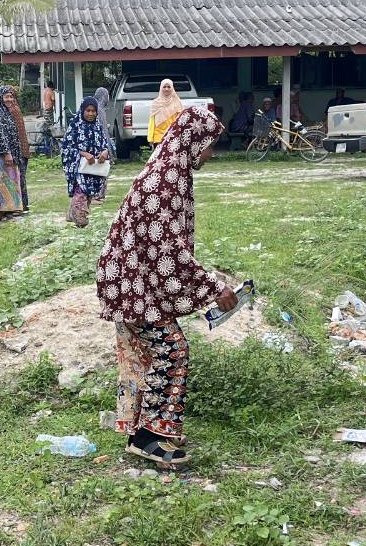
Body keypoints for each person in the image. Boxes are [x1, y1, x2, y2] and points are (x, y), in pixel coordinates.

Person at [97, 108, 238, 468]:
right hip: (133, 285)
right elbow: (169, 250)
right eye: (209, 146)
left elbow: (164, 248)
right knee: (172, 349)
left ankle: (145, 431)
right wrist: (213, 289)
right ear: (194, 141)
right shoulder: (165, 180)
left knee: (143, 357)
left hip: (133, 280)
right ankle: (148, 437)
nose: (210, 154)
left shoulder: (171, 172)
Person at [61, 97, 112, 227]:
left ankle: (72, 213)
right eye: (88, 110)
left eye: (93, 111)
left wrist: (104, 153)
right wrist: (83, 154)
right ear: (82, 110)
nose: (91, 114)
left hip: (94, 167)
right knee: (81, 190)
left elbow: (105, 144)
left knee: (89, 192)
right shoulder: (75, 125)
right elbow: (66, 147)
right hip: (79, 166)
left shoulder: (98, 126)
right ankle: (79, 216)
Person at [0, 85, 28, 219]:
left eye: (11, 96)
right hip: (1, 155)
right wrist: (7, 153)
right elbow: (0, 134)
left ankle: (9, 210)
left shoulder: (6, 111)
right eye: (7, 96)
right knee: (2, 182)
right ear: (0, 98)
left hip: (9, 153)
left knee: (9, 181)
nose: (10, 99)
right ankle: (2, 211)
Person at [147, 78, 182, 146]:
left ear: (172, 88)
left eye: (169, 87)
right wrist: (150, 138)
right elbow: (152, 122)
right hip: (158, 138)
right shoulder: (156, 103)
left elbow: (180, 121)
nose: (166, 89)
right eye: (164, 87)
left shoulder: (177, 102)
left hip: (173, 136)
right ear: (161, 88)